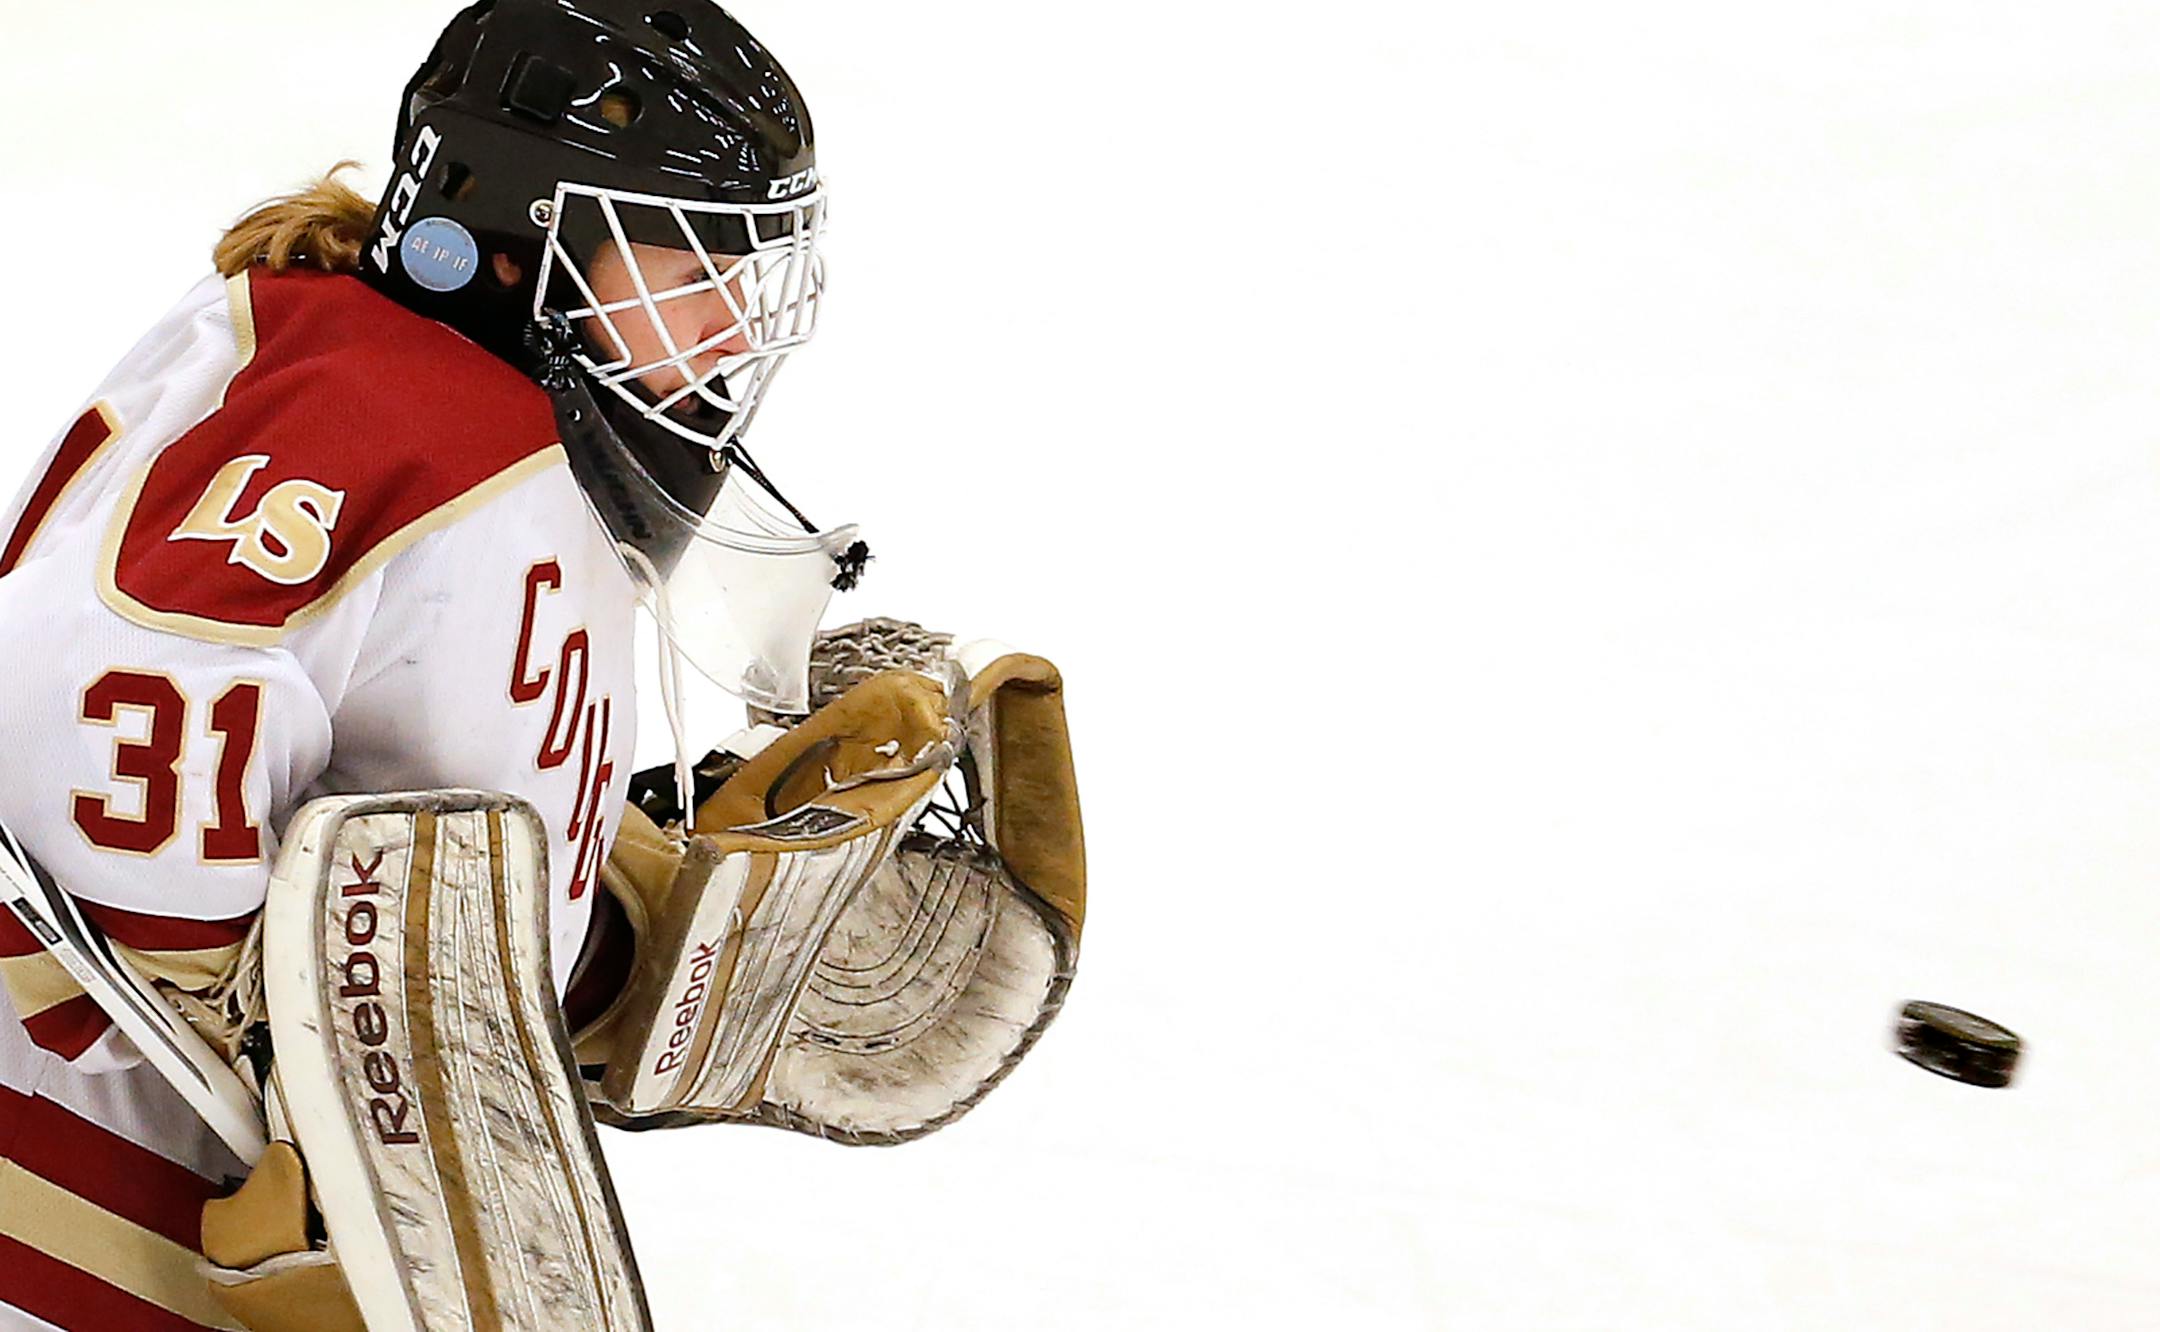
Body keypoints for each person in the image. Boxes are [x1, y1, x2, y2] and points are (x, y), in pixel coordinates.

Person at [0, 4, 855, 1327]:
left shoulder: (472, 407)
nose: (732, 325)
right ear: (517, 243)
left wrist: (596, 941)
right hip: (79, 1177)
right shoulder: (393, 415)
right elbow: (97, 690)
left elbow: (387, 792)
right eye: (691, 264)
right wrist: (291, 1045)